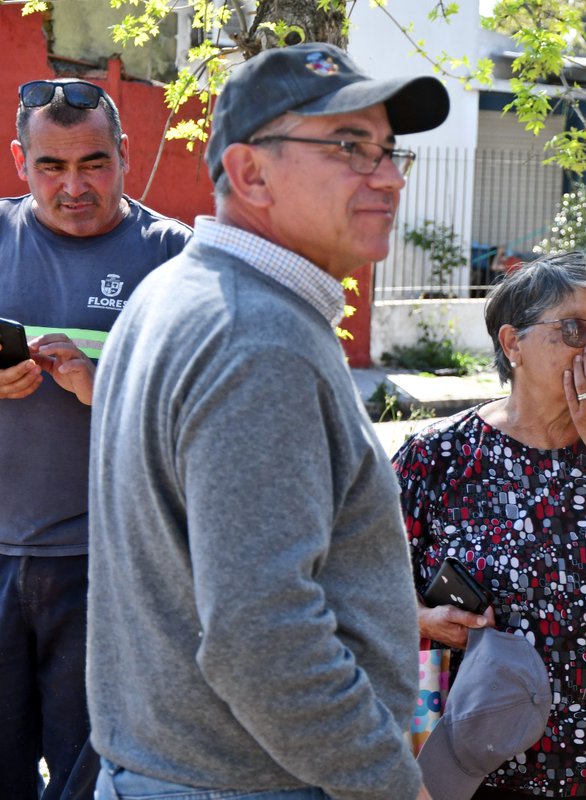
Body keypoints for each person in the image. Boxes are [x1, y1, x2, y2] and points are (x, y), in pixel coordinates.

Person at [86, 43, 450, 799]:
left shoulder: (175, 293)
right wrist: (391, 783)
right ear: (251, 172)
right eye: (351, 147)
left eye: (388, 150)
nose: (387, 176)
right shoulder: (257, 336)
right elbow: (263, 636)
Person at [393, 252, 586, 799]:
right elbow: (362, 586)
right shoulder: (436, 456)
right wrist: (421, 616)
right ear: (513, 344)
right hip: (475, 766)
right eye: (576, 330)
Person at [0, 77, 191, 800]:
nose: (73, 186)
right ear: (22, 161)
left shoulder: (177, 257)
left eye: (94, 164)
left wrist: (103, 390)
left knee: (92, 776)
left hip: (110, 569)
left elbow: (212, 414)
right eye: (52, 166)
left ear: (125, 154)